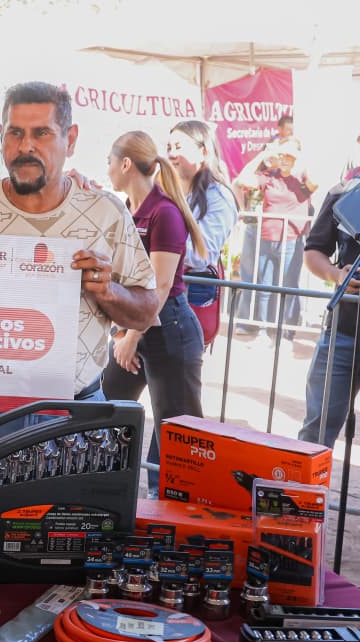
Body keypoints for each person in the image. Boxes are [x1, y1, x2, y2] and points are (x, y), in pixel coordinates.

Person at [0, 82, 159, 482]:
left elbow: (145, 312)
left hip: (77, 415)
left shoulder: (106, 213)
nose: (26, 146)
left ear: (70, 140)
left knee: (73, 522)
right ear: (0, 136)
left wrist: (108, 291)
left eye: (42, 133)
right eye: (15, 133)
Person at [102, 131, 208, 496]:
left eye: (109, 161)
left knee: (176, 435)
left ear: (125, 164)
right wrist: (122, 334)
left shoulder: (165, 213)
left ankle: (170, 510)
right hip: (136, 328)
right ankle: (108, 492)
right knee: (106, 408)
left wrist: (132, 336)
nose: (107, 168)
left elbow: (160, 287)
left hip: (169, 331)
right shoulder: (126, 210)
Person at [233, 133, 316, 343]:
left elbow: (316, 183)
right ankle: (263, 329)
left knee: (289, 285)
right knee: (265, 285)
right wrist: (265, 154)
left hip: (291, 240)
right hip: (266, 238)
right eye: (283, 154)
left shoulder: (301, 179)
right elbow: (242, 180)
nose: (285, 159)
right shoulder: (270, 176)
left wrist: (297, 156)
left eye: (290, 155)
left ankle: (287, 332)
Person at [298, 173, 360, 447]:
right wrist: (337, 275)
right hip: (342, 333)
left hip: (341, 335)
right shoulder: (343, 191)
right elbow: (313, 251)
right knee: (316, 432)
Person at [167, 120, 238, 284]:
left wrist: (157, 242)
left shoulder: (219, 197)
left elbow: (201, 255)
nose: (171, 154)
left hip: (191, 291)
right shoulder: (169, 191)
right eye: (169, 148)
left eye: (178, 147)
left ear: (203, 152)